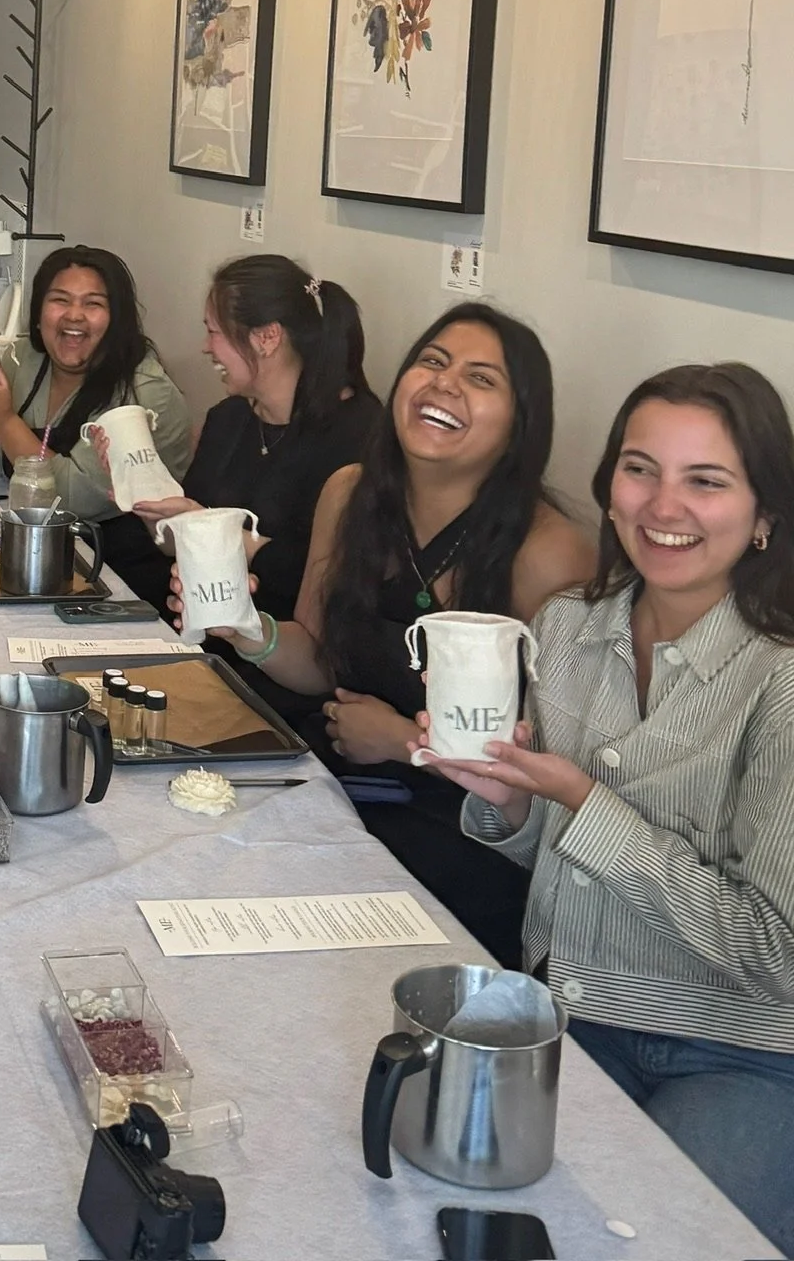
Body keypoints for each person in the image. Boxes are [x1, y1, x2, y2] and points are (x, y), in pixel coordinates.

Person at [425, 364, 794, 1257]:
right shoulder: (566, 628)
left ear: (765, 517)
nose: (664, 505)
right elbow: (556, 856)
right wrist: (512, 806)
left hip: (736, 1053)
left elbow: (780, 957)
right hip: (561, 1017)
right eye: (640, 469)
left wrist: (585, 804)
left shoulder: (778, 679)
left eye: (706, 481)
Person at [171, 303, 591, 966]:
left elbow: (548, 774)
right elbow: (319, 662)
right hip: (336, 788)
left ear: (520, 424)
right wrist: (247, 631)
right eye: (432, 362)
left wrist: (399, 741)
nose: (445, 384)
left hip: (456, 832)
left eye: (482, 379)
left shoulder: (548, 552)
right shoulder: (350, 494)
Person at [129, 256, 380, 635]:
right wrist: (147, 496)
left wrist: (229, 539)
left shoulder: (359, 436)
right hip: (201, 633)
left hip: (290, 654)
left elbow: (333, 582)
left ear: (267, 338)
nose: (205, 348)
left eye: (214, 332)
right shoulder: (228, 419)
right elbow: (185, 542)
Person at [0, 245, 194, 604]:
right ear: (39, 311)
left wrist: (1, 418)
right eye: (60, 300)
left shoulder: (142, 391)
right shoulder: (25, 358)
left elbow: (72, 501)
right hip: (34, 559)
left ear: (117, 318)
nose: (73, 316)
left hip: (117, 578)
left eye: (93, 304)